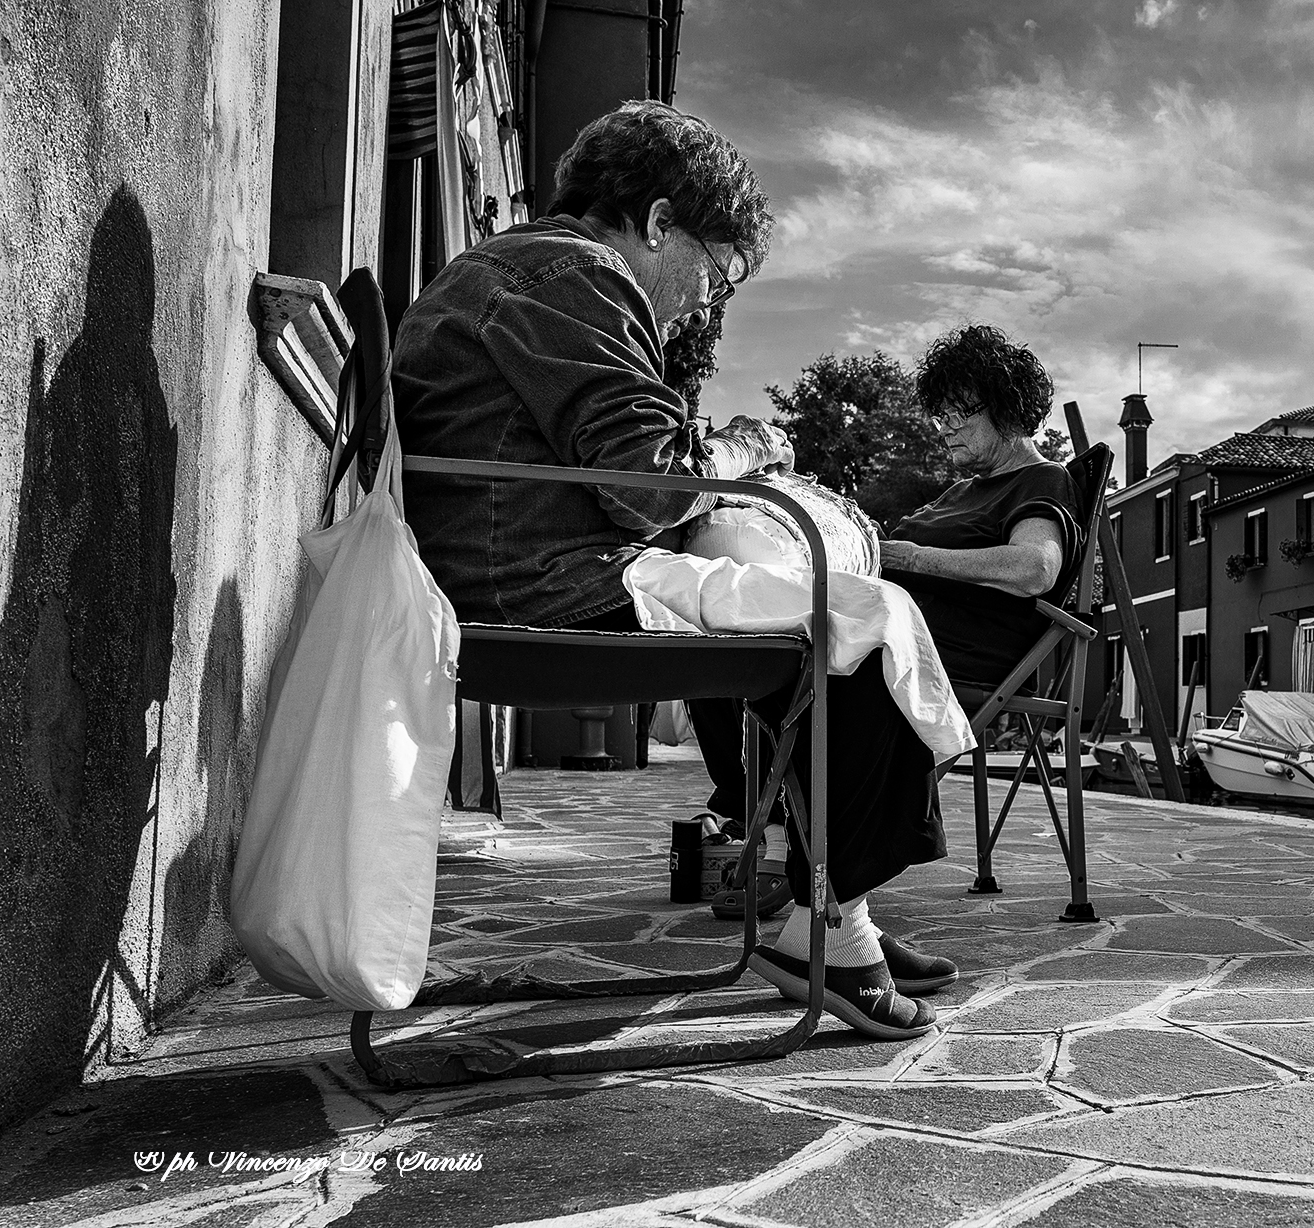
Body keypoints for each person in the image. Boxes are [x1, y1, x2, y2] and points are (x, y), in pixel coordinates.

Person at [392, 101, 951, 1040]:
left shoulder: (515, 271)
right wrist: (740, 448)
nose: (707, 301)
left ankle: (840, 917)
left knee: (832, 625)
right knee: (866, 621)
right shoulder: (575, 279)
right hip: (544, 593)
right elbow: (651, 486)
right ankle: (834, 930)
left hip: (504, 576)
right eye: (717, 273)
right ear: (658, 222)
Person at [881, 325, 1083, 689]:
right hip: (898, 629)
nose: (945, 429)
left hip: (948, 652)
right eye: (941, 417)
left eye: (957, 414)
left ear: (1006, 408)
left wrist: (914, 559)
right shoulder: (961, 491)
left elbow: (1034, 567)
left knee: (810, 655)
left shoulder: (1041, 479)